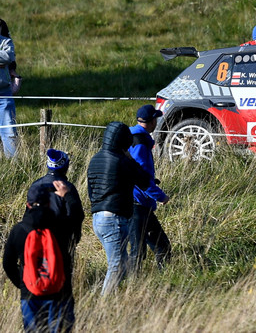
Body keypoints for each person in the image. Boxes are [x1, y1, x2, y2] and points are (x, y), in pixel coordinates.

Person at [3, 181, 77, 332]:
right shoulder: (61, 226)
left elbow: (7, 264)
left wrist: (23, 283)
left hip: (30, 293)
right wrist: (67, 195)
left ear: (27, 204)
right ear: (49, 203)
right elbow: (77, 216)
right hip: (59, 291)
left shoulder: (18, 230)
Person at [87, 121, 150, 295]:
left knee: (124, 264)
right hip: (114, 218)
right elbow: (144, 181)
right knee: (116, 266)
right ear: (123, 142)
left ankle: (129, 295)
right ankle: (103, 306)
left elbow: (90, 192)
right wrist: (130, 158)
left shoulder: (95, 159)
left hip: (98, 218)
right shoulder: (122, 161)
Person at [128, 105, 171, 271]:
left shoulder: (134, 138)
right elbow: (141, 176)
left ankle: (164, 278)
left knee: (162, 246)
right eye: (156, 119)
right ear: (152, 120)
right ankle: (132, 288)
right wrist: (160, 196)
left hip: (139, 203)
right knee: (138, 252)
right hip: (137, 203)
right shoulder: (140, 143)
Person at [27, 149, 84, 259]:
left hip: (36, 237)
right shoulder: (67, 188)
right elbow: (77, 215)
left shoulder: (35, 186)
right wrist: (75, 239)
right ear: (65, 166)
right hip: (61, 240)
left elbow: (28, 213)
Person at [0, 20, 17, 157]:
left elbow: (8, 57)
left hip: (4, 93)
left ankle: (12, 164)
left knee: (9, 130)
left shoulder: (5, 42)